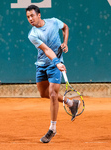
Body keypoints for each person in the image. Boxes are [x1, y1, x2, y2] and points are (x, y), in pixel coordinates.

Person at [25, 5, 80, 143]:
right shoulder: (32, 34)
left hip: (55, 65)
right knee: (44, 94)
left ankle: (52, 129)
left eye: (32, 15)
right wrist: (57, 62)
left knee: (53, 94)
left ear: (39, 15)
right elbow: (47, 49)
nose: (30, 19)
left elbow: (65, 27)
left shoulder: (53, 22)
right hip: (42, 65)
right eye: (28, 17)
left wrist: (65, 43)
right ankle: (71, 103)